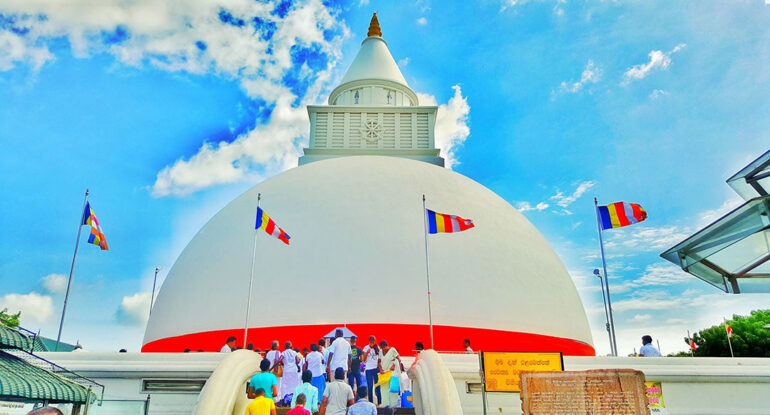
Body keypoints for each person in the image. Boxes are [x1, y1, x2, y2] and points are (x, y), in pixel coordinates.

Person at [379, 340, 403, 408]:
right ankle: (385, 404)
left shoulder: (392, 350)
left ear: (386, 346)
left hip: (393, 373)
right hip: (384, 373)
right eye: (382, 348)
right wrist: (380, 369)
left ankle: (394, 405)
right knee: (384, 389)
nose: (383, 350)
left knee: (393, 389)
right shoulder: (381, 352)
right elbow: (379, 361)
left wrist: (394, 365)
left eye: (384, 348)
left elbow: (398, 359)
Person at [361, 335, 382, 405]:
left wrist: (380, 368)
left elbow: (379, 359)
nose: (371, 344)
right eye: (370, 342)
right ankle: (370, 402)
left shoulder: (377, 348)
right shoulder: (366, 348)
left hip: (376, 369)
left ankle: (379, 402)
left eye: (373, 342)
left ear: (375, 342)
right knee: (369, 386)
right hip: (368, 369)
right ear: (369, 342)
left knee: (378, 386)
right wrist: (366, 353)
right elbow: (363, 360)